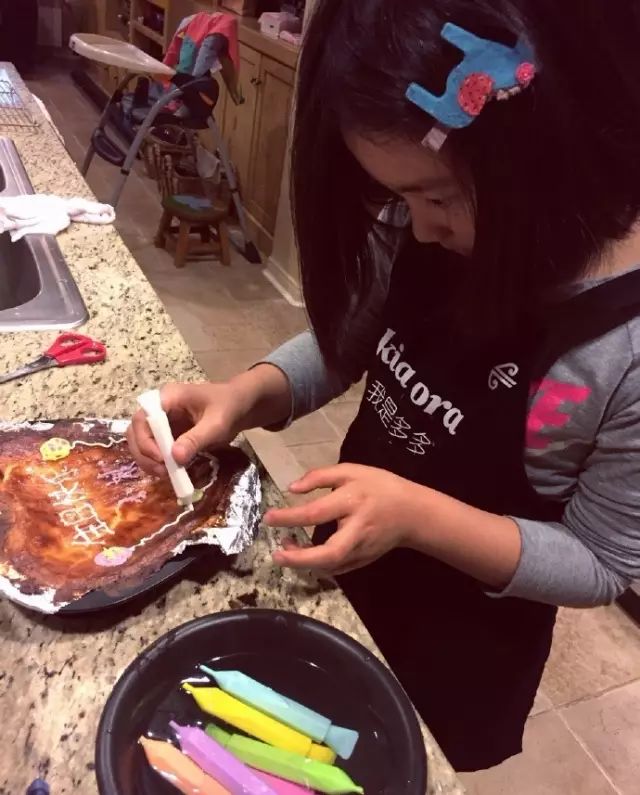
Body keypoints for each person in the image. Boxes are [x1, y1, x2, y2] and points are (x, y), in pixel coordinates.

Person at [128, 0, 640, 772]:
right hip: (351, 576)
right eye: (402, 199)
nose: (421, 226)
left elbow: (600, 562)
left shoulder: (620, 345)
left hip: (461, 650)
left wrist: (416, 515)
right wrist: (247, 393)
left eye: (437, 197)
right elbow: (347, 343)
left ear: (543, 153)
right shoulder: (422, 221)